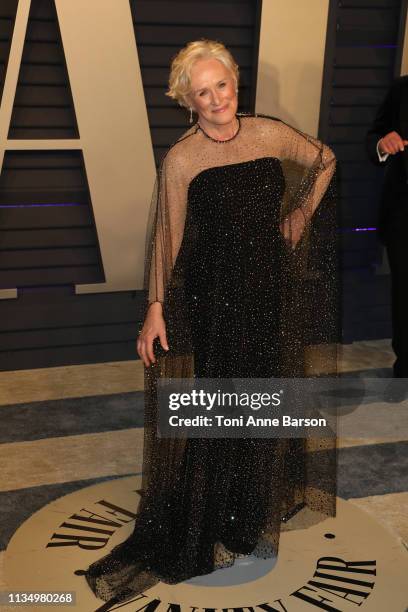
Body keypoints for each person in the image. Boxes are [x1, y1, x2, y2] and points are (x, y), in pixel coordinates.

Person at [75, 40, 338, 608]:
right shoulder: (183, 159)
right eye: (203, 91)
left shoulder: (269, 133)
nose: (217, 98)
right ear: (187, 99)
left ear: (234, 82)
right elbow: (166, 241)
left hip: (270, 292)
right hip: (216, 302)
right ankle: (208, 516)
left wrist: (298, 215)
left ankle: (246, 514)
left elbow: (326, 159)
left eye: (222, 84)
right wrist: (154, 309)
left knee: (263, 399)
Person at [366, 76, 408, 378]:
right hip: (403, 212)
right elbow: (374, 137)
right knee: (404, 291)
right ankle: (405, 364)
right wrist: (382, 144)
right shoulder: (401, 89)